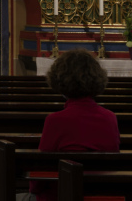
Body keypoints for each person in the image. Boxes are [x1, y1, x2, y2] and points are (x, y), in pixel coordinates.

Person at [32, 50, 120, 200]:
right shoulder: (109, 118)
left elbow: (39, 177)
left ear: (59, 80)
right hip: (100, 197)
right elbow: (112, 166)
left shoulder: (55, 120)